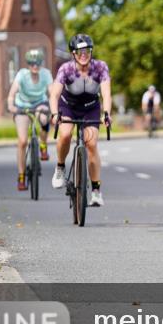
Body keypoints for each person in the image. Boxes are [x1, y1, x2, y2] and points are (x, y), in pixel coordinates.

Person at [49, 34, 112, 207]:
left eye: (87, 51)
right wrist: (55, 114)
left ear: (91, 52)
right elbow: (54, 94)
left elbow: (106, 93)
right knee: (66, 133)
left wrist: (107, 113)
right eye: (79, 51)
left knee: (91, 144)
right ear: (73, 54)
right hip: (68, 105)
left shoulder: (100, 67)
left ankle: (96, 191)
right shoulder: (66, 69)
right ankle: (60, 168)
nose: (84, 55)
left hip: (91, 107)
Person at [6, 49, 53, 191]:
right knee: (22, 141)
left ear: (41, 63)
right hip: (22, 106)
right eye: (32, 63)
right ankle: (21, 176)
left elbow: (52, 93)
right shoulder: (22, 75)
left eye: (38, 63)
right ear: (28, 64)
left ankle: (43, 144)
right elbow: (11, 94)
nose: (35, 66)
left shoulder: (46, 74)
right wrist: (11, 106)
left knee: (44, 118)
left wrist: (53, 106)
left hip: (40, 103)